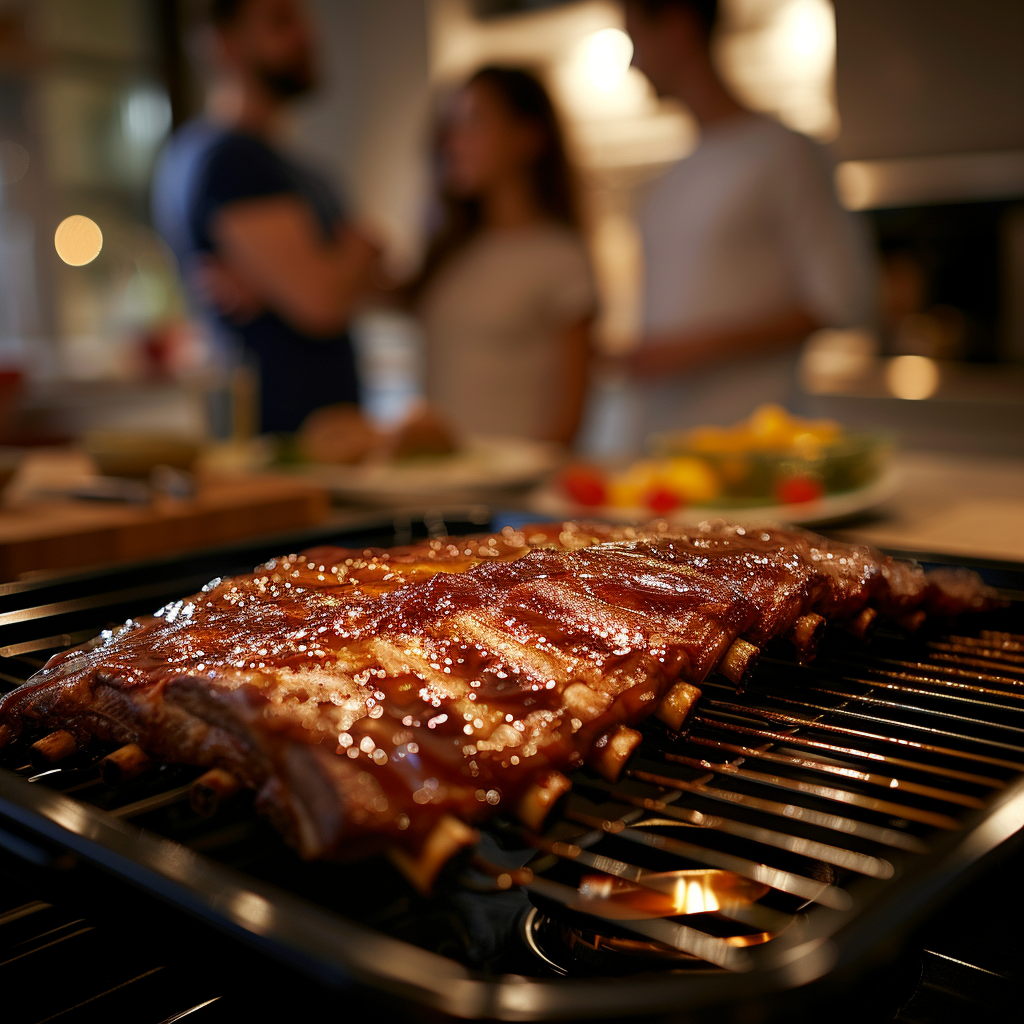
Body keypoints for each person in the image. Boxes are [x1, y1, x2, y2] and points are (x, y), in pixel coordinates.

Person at [619, 0, 875, 438]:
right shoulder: (667, 182)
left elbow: (843, 298)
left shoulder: (783, 153)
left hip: (755, 447)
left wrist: (689, 352)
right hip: (664, 447)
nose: (632, 63)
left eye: (636, 39)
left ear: (678, 28)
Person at [152, 0, 378, 434]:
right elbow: (322, 303)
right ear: (224, 45)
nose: (306, 37)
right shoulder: (231, 160)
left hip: (325, 437)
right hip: (274, 441)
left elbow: (379, 287)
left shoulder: (304, 170)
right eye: (280, 22)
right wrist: (356, 257)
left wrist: (289, 282)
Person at [410, 67, 596, 445]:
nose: (454, 141)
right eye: (452, 126)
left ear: (527, 137)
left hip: (514, 492)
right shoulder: (451, 255)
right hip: (442, 489)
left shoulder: (560, 258)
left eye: (474, 122)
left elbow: (569, 421)